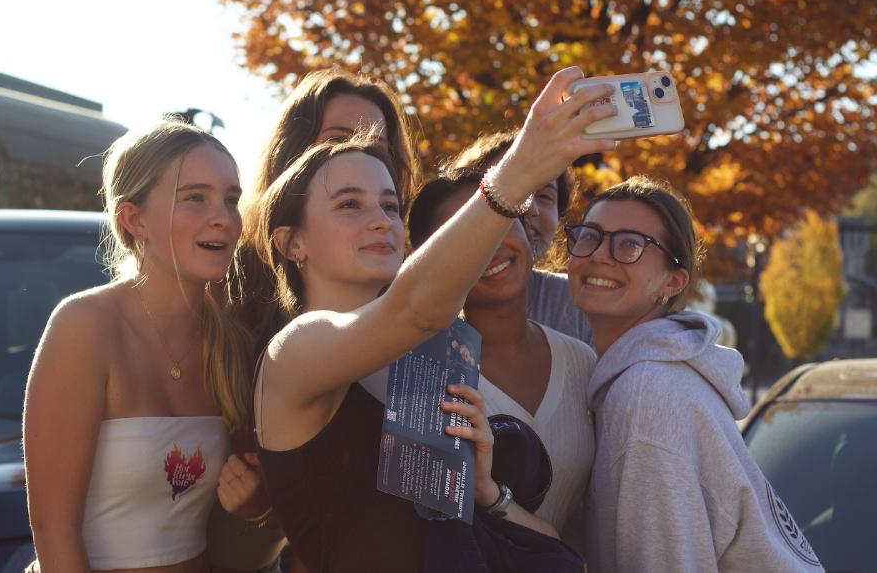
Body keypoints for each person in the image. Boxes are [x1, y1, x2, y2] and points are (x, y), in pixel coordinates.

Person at [247, 66, 617, 572]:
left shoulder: (426, 355)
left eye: (389, 204)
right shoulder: (294, 350)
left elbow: (550, 548)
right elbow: (416, 309)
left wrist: (486, 491)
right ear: (292, 243)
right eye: (349, 204)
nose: (380, 219)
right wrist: (522, 168)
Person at [23, 120, 265, 571]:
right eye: (195, 197)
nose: (224, 217)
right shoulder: (85, 325)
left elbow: (252, 505)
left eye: (231, 200)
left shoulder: (230, 340)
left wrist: (254, 502)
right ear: (133, 219)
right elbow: (52, 529)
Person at [565, 176, 824, 572]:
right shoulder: (641, 377)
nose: (601, 255)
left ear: (673, 282)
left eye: (630, 245)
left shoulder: (648, 393)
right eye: (590, 236)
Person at [405, 169, 596, 547]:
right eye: (464, 235)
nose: (489, 244)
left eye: (499, 221)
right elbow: (434, 537)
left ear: (526, 229)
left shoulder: (582, 361)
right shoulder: (424, 374)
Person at [233, 67, 420, 355]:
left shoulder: (405, 278)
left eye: (377, 146)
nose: (359, 153)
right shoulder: (231, 285)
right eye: (338, 140)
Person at [443, 130, 593, 345]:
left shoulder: (581, 301)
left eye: (544, 196)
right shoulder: (426, 302)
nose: (530, 208)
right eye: (512, 189)